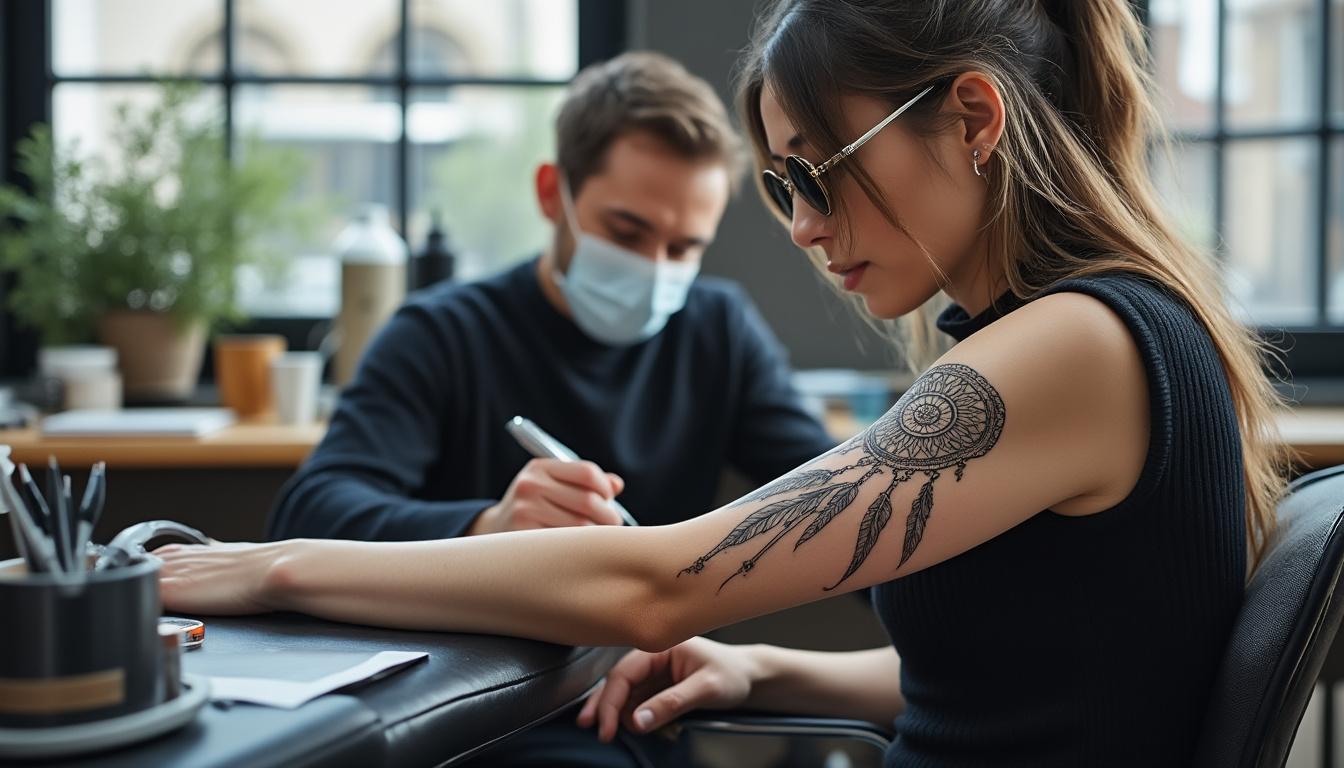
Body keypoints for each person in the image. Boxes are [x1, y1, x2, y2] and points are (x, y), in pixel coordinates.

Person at [157, 1, 1293, 765]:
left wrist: (269, 570)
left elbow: (662, 581)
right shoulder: (1081, 334)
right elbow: (1025, 683)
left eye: (817, 172)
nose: (802, 226)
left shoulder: (1073, 345)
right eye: (780, 186)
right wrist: (758, 664)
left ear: (973, 117)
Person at [267, 51, 834, 543]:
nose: (654, 269)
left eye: (684, 247)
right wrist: (488, 526)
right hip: (475, 663)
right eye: (625, 232)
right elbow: (307, 514)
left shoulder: (719, 331)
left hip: (657, 664)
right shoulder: (441, 335)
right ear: (549, 194)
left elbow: (833, 497)